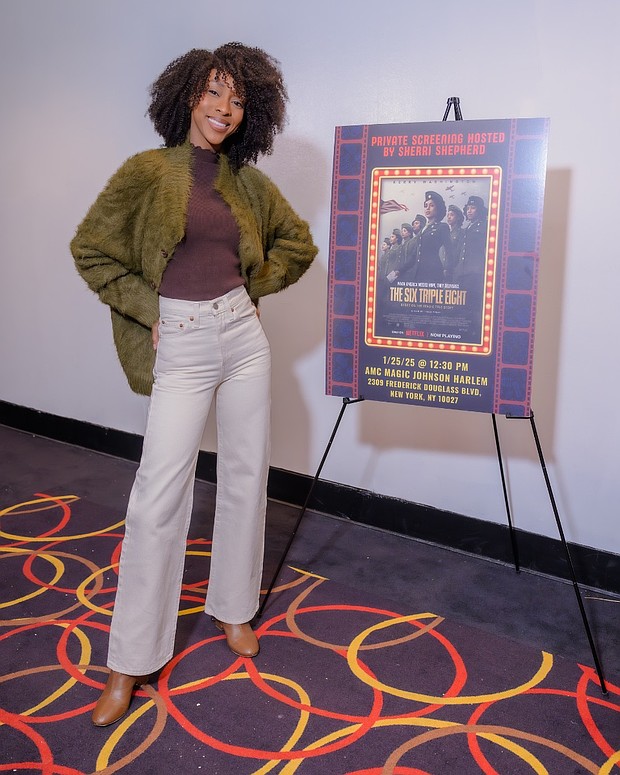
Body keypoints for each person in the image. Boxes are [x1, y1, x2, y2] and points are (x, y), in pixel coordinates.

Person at [70, 43, 317, 727]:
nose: (224, 109)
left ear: (250, 115)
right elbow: (90, 248)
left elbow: (297, 243)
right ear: (187, 95)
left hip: (243, 340)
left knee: (245, 473)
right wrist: (150, 310)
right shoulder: (146, 172)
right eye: (214, 93)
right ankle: (128, 659)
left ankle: (233, 608)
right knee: (158, 497)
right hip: (179, 338)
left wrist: (255, 287)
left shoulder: (248, 183)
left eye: (237, 101)